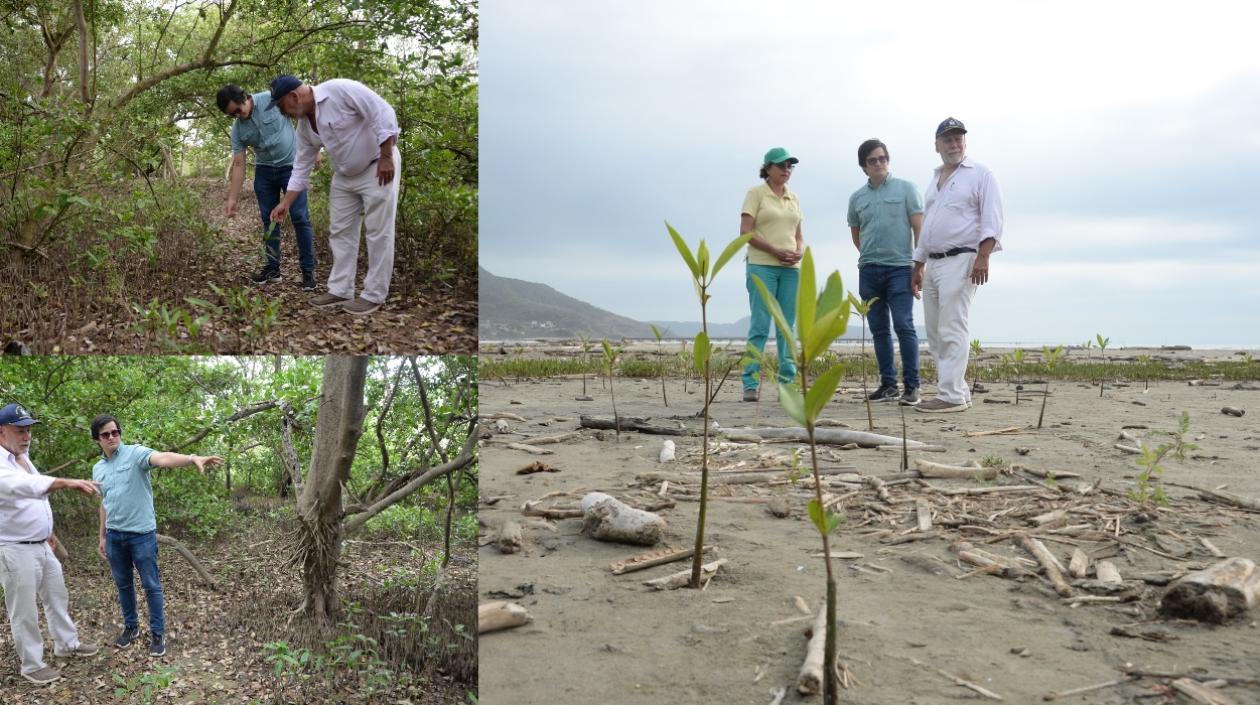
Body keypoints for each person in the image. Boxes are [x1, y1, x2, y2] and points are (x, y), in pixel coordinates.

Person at [266, 75, 401, 316]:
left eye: (280, 105)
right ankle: (340, 289)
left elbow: (381, 111)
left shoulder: (339, 90)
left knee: (378, 231)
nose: (281, 111)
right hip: (344, 176)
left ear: (294, 97)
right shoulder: (305, 128)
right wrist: (286, 202)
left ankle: (373, 294)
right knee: (340, 232)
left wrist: (387, 156)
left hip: (377, 166)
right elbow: (301, 166)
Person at [91, 415, 224, 657]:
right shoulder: (98, 468)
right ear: (97, 439)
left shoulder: (135, 454)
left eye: (115, 432)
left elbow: (161, 458)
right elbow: (104, 503)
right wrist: (102, 536)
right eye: (105, 434)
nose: (112, 437)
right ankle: (131, 628)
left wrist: (192, 458)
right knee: (123, 585)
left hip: (141, 536)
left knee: (151, 586)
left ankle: (157, 633)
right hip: (114, 537)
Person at [0, 403, 101, 685]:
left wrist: (47, 530)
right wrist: (67, 482)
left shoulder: (22, 458)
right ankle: (32, 665)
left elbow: (29, 501)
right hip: (14, 549)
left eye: (29, 430)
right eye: (20, 430)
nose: (26, 436)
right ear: (1, 432)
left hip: (41, 544)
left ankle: (67, 644)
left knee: (57, 596)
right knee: (24, 610)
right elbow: (22, 487)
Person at [911, 118, 1004, 413]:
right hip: (934, 262)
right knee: (935, 331)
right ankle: (957, 390)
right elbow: (927, 228)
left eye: (958, 138)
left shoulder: (981, 174)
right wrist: (918, 264)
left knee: (953, 326)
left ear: (965, 141)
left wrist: (984, 256)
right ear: (936, 145)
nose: (954, 144)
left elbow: (993, 219)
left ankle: (949, 396)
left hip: (963, 258)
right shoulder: (935, 180)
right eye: (947, 139)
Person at [216, 84, 319, 291]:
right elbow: (238, 164)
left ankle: (308, 271)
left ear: (245, 97)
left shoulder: (272, 99)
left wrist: (315, 148)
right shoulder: (238, 130)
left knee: (300, 217)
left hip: (292, 166)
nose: (237, 116)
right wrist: (232, 198)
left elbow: (304, 110)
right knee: (269, 219)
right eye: (232, 115)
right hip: (264, 173)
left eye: (238, 109)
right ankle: (273, 269)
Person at [848, 139, 924, 406]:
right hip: (869, 270)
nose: (879, 164)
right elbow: (857, 234)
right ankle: (888, 385)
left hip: (900, 268)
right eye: (872, 160)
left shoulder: (906, 189)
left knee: (904, 325)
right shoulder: (857, 198)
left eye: (882, 158)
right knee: (879, 330)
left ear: (888, 160)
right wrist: (869, 257)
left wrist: (918, 265)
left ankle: (912, 387)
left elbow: (919, 228)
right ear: (864, 166)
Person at [740, 147, 804, 402]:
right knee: (759, 326)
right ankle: (750, 383)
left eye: (790, 165)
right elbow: (746, 231)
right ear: (767, 168)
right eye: (781, 165)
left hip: (791, 269)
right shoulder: (755, 194)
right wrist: (774, 251)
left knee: (787, 327)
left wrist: (798, 251)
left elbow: (799, 235)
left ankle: (787, 385)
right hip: (762, 265)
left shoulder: (793, 198)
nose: (786, 169)